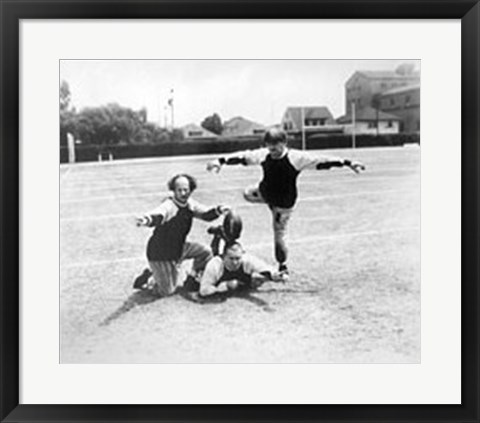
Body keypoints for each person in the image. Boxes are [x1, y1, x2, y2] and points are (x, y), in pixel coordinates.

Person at [206, 128, 365, 275]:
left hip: (283, 203)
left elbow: (322, 160)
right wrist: (220, 161)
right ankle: (268, 204)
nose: (272, 151)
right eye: (269, 147)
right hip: (265, 193)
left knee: (279, 237)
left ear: (284, 143)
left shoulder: (297, 158)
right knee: (247, 193)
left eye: (275, 147)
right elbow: (243, 157)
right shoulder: (265, 154)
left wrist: (348, 163)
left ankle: (283, 266)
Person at [133, 173, 229, 297]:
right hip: (160, 252)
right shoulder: (170, 206)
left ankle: (193, 277)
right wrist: (146, 220)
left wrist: (220, 210)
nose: (183, 193)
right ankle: (149, 277)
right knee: (167, 291)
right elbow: (159, 215)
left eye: (186, 190)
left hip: (179, 248)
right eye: (179, 190)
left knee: (205, 252)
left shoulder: (190, 204)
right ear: (173, 190)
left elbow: (205, 214)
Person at [198, 241, 286, 298]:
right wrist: (222, 288)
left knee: (257, 281)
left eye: (237, 258)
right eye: (231, 258)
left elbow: (264, 268)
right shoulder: (215, 265)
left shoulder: (247, 259)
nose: (235, 262)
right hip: (215, 282)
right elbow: (203, 291)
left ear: (242, 255)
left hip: (240, 281)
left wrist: (276, 275)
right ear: (224, 256)